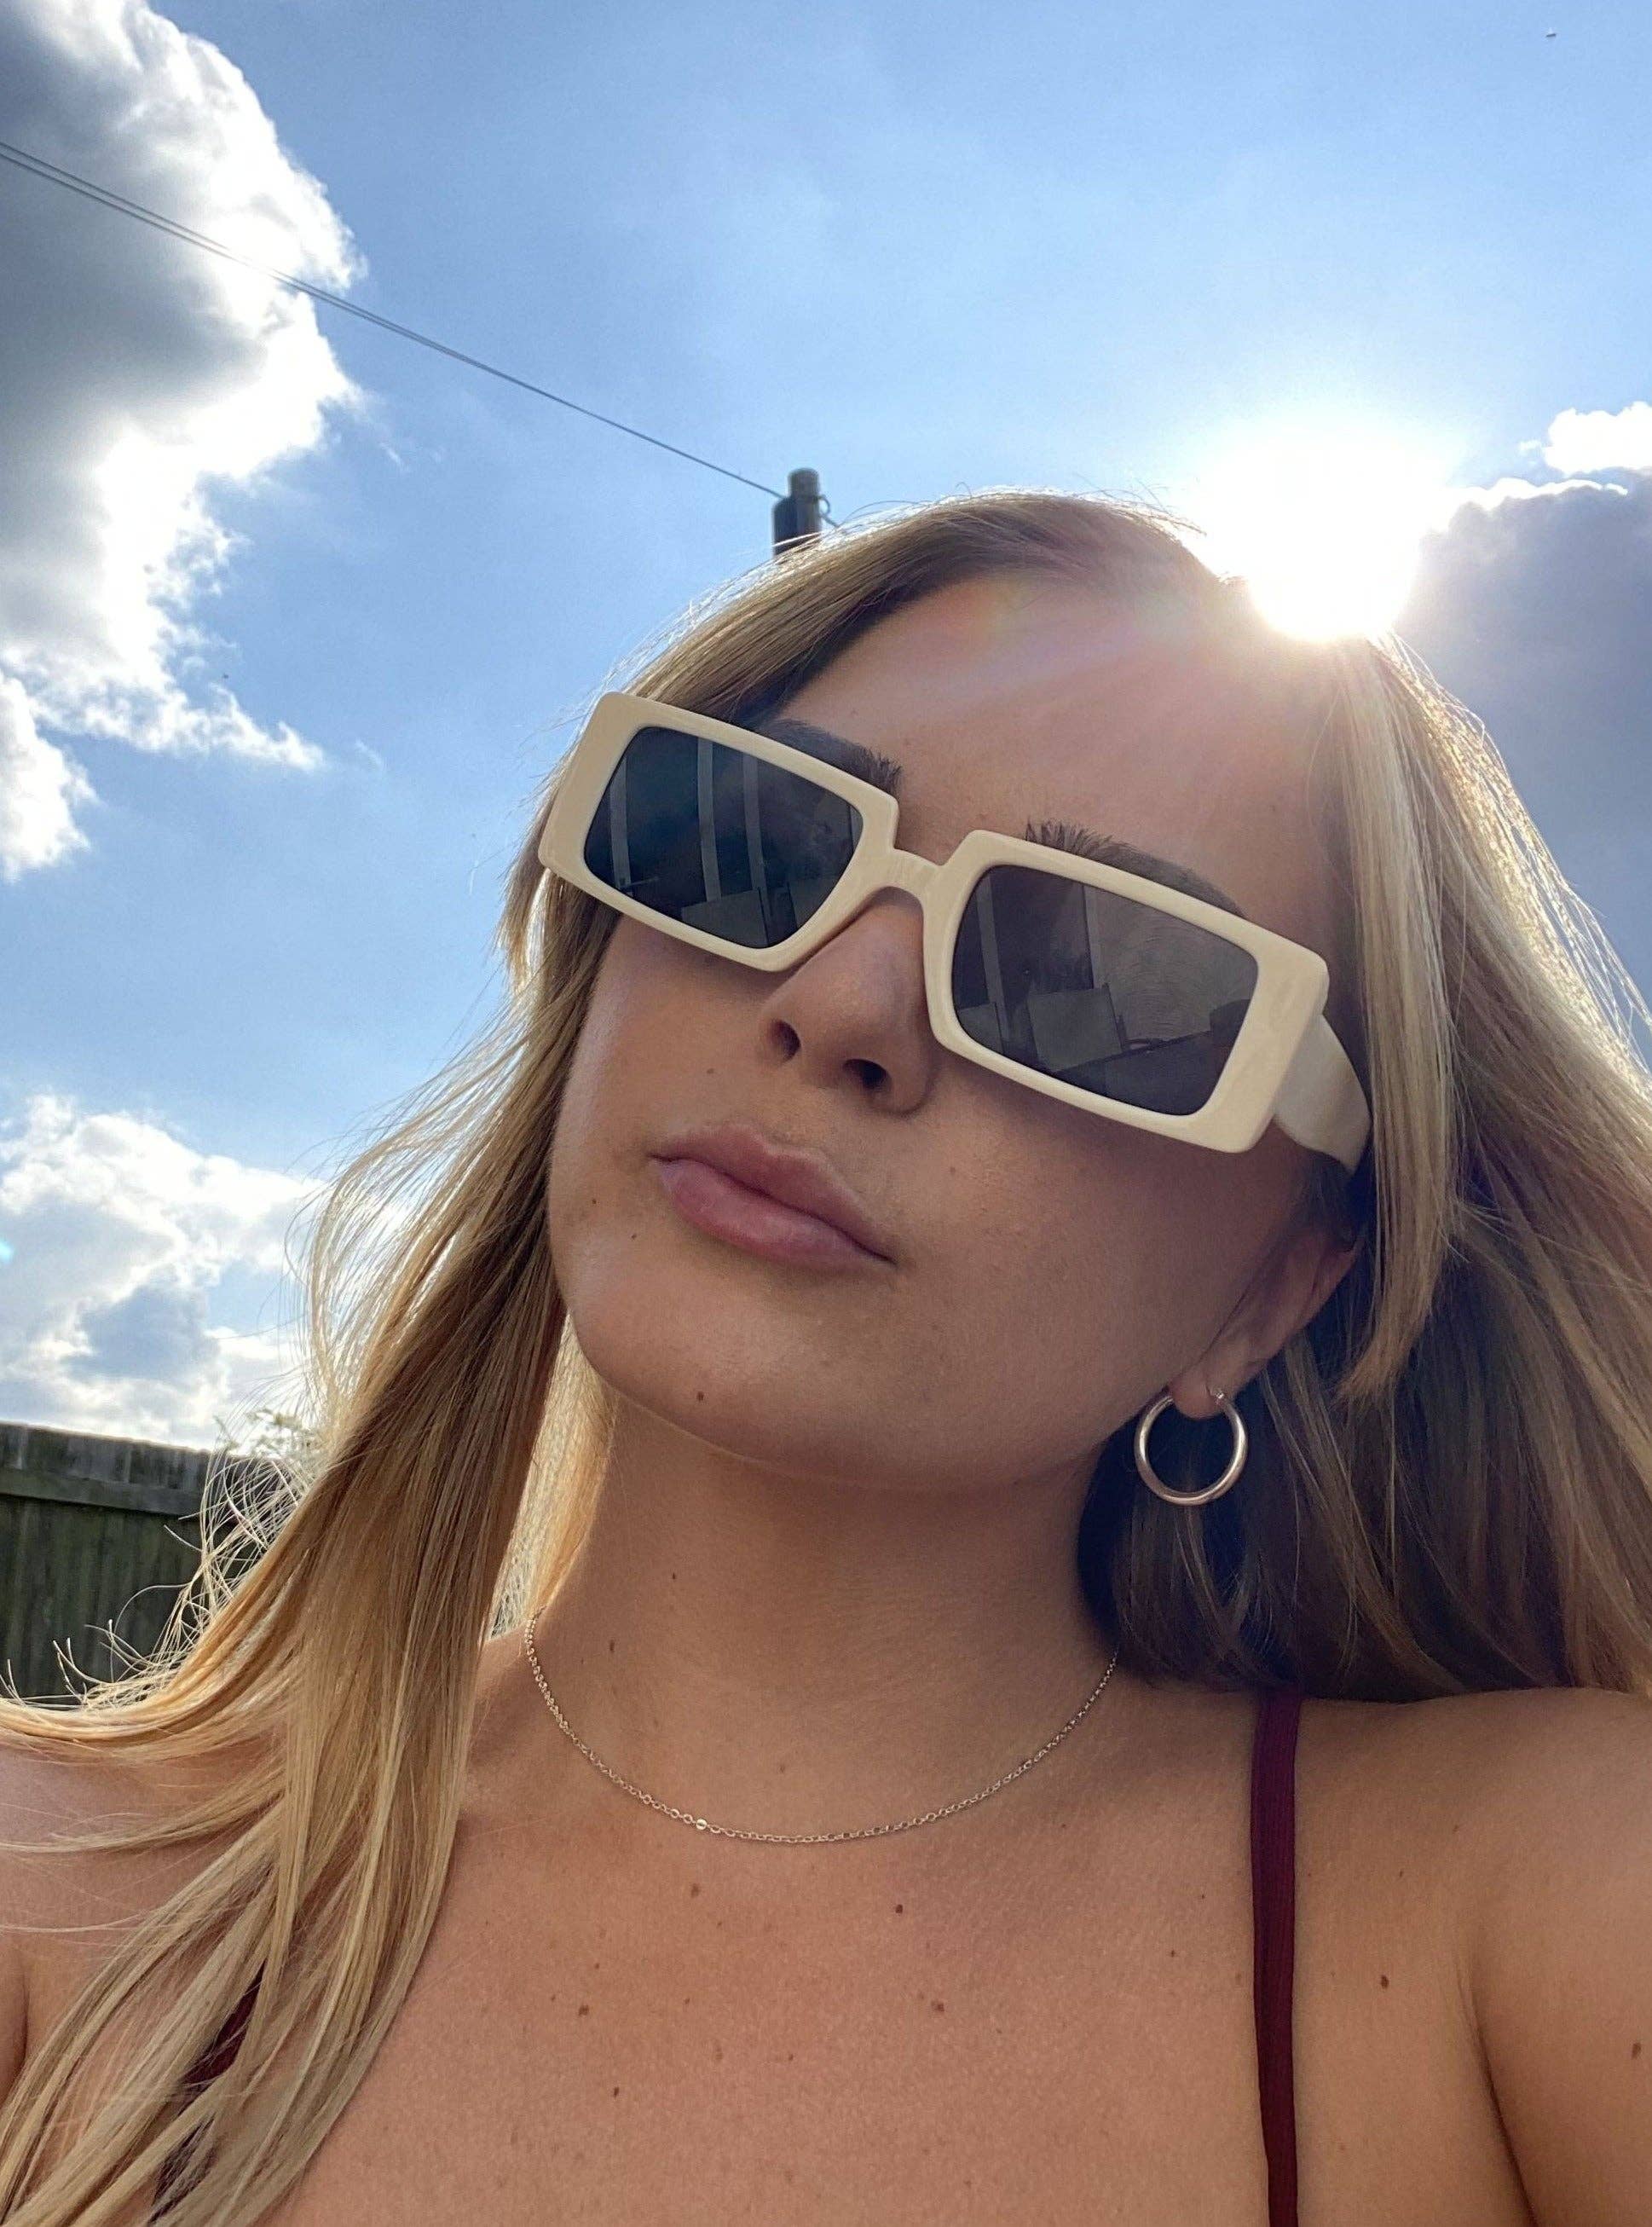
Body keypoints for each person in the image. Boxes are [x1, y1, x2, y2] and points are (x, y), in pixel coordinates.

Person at [3, 486, 1652, 2226]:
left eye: (1097, 975)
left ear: (1273, 1292)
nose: (843, 1003)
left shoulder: (1544, 1905)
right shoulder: (55, 1891)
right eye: (752, 840)